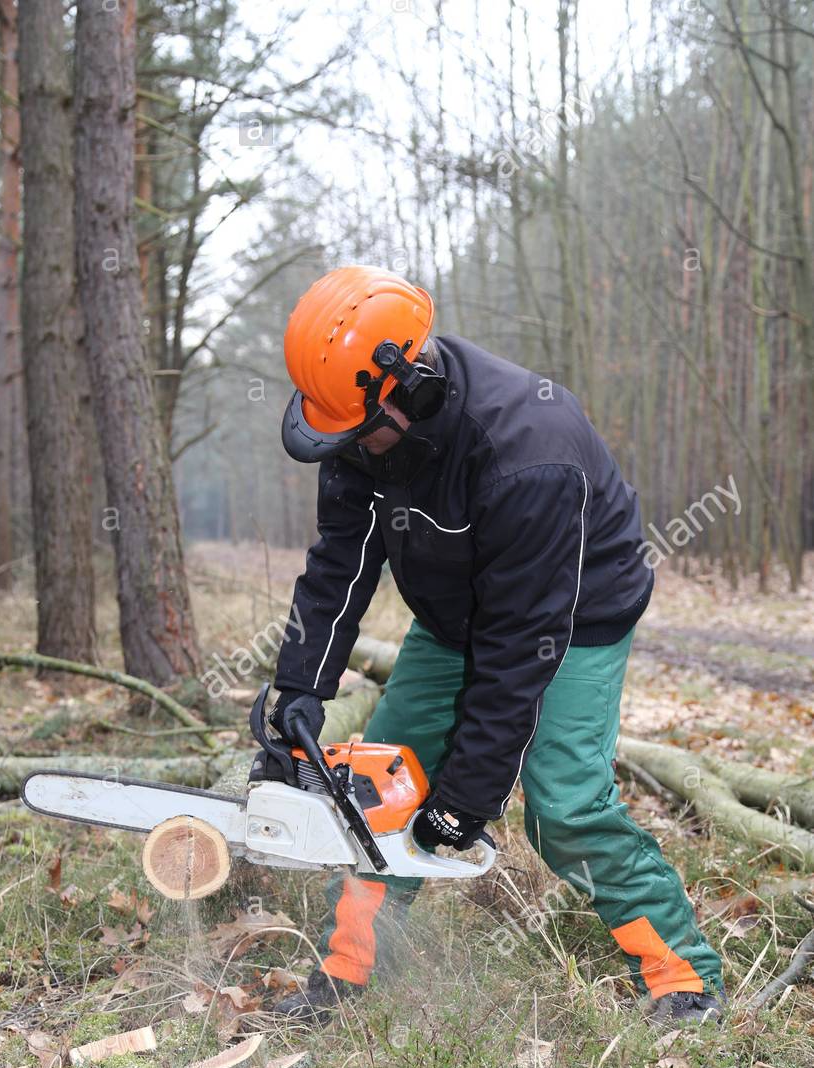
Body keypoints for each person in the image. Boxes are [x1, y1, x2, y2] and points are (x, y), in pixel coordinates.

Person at [267, 265, 725, 1026]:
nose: (354, 450)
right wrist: (302, 690)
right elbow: (339, 565)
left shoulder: (529, 452)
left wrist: (467, 798)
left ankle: (683, 977)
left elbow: (521, 646)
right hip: (454, 617)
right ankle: (348, 971)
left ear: (411, 391)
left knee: (564, 803)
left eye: (360, 434)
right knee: (376, 790)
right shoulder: (358, 426)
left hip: (572, 619)